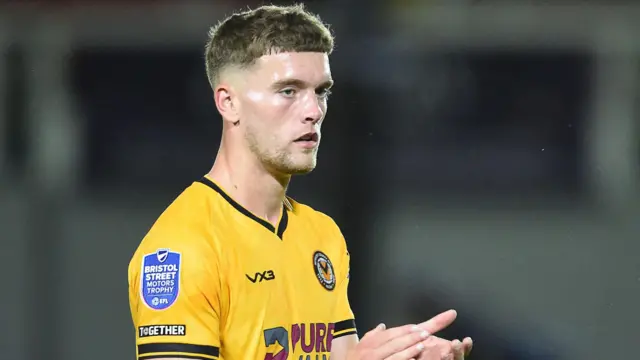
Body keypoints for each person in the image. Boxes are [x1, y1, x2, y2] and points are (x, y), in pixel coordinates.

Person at [128, 4, 473, 360]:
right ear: (229, 103)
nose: (313, 110)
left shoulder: (321, 235)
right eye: (289, 91)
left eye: (321, 91)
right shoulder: (182, 249)